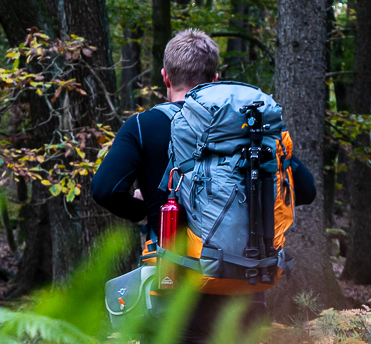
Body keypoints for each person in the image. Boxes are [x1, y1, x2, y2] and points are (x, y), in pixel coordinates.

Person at [91, 29, 316, 343]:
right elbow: (306, 191)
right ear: (215, 78)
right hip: (245, 285)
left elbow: (105, 190)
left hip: (174, 291)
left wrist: (144, 212)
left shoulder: (144, 125)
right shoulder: (249, 129)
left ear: (165, 77)